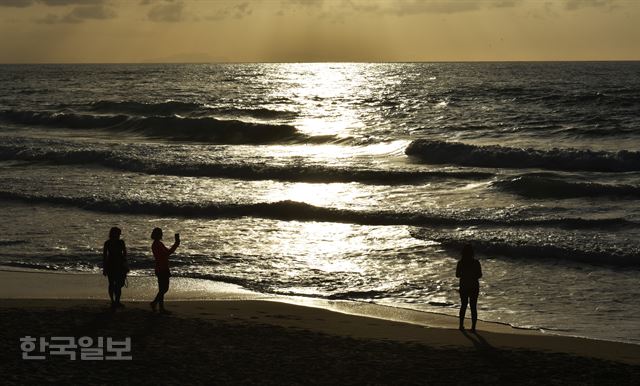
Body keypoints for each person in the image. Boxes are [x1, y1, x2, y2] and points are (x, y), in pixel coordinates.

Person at [149, 227, 180, 314]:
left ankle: (159, 306)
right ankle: (156, 304)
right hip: (162, 268)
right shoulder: (157, 244)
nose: (162, 234)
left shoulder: (157, 243)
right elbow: (167, 253)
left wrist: (176, 244)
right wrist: (176, 244)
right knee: (164, 289)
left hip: (161, 268)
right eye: (160, 233)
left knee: (162, 289)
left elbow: (167, 253)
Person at [456, 244, 482, 332]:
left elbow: (457, 275)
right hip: (474, 286)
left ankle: (461, 325)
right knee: (473, 307)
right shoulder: (476, 262)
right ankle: (473, 328)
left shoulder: (460, 262)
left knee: (463, 305)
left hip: (464, 286)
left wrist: (465, 274)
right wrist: (472, 275)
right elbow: (480, 275)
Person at [103, 227, 128, 309]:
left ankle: (116, 301)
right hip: (112, 265)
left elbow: (125, 254)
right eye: (118, 233)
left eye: (119, 234)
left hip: (117, 265)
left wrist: (125, 264)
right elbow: (104, 256)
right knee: (113, 284)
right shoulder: (108, 243)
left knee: (118, 284)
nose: (119, 235)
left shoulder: (120, 242)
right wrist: (104, 268)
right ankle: (114, 301)